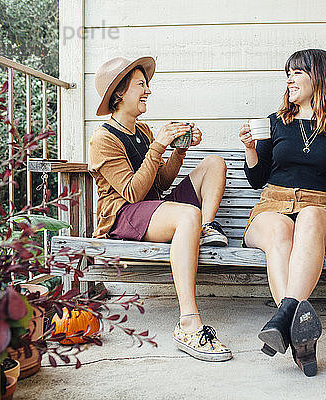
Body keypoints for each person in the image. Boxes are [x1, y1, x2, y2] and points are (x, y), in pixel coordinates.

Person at [239, 49, 326, 376]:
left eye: (297, 72)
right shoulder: (275, 123)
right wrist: (249, 149)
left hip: (319, 209)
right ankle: (299, 333)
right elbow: (257, 180)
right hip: (272, 205)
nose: (289, 79)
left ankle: (283, 319)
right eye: (288, 73)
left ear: (320, 78)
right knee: (280, 231)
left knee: (310, 218)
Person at [89, 56, 231, 362]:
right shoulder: (103, 139)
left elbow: (161, 184)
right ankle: (189, 323)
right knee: (187, 214)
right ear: (119, 93)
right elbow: (131, 192)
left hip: (153, 208)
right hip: (123, 216)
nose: (148, 91)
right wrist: (158, 147)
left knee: (214, 163)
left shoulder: (142, 131)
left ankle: (201, 229)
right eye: (141, 84)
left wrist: (179, 150)